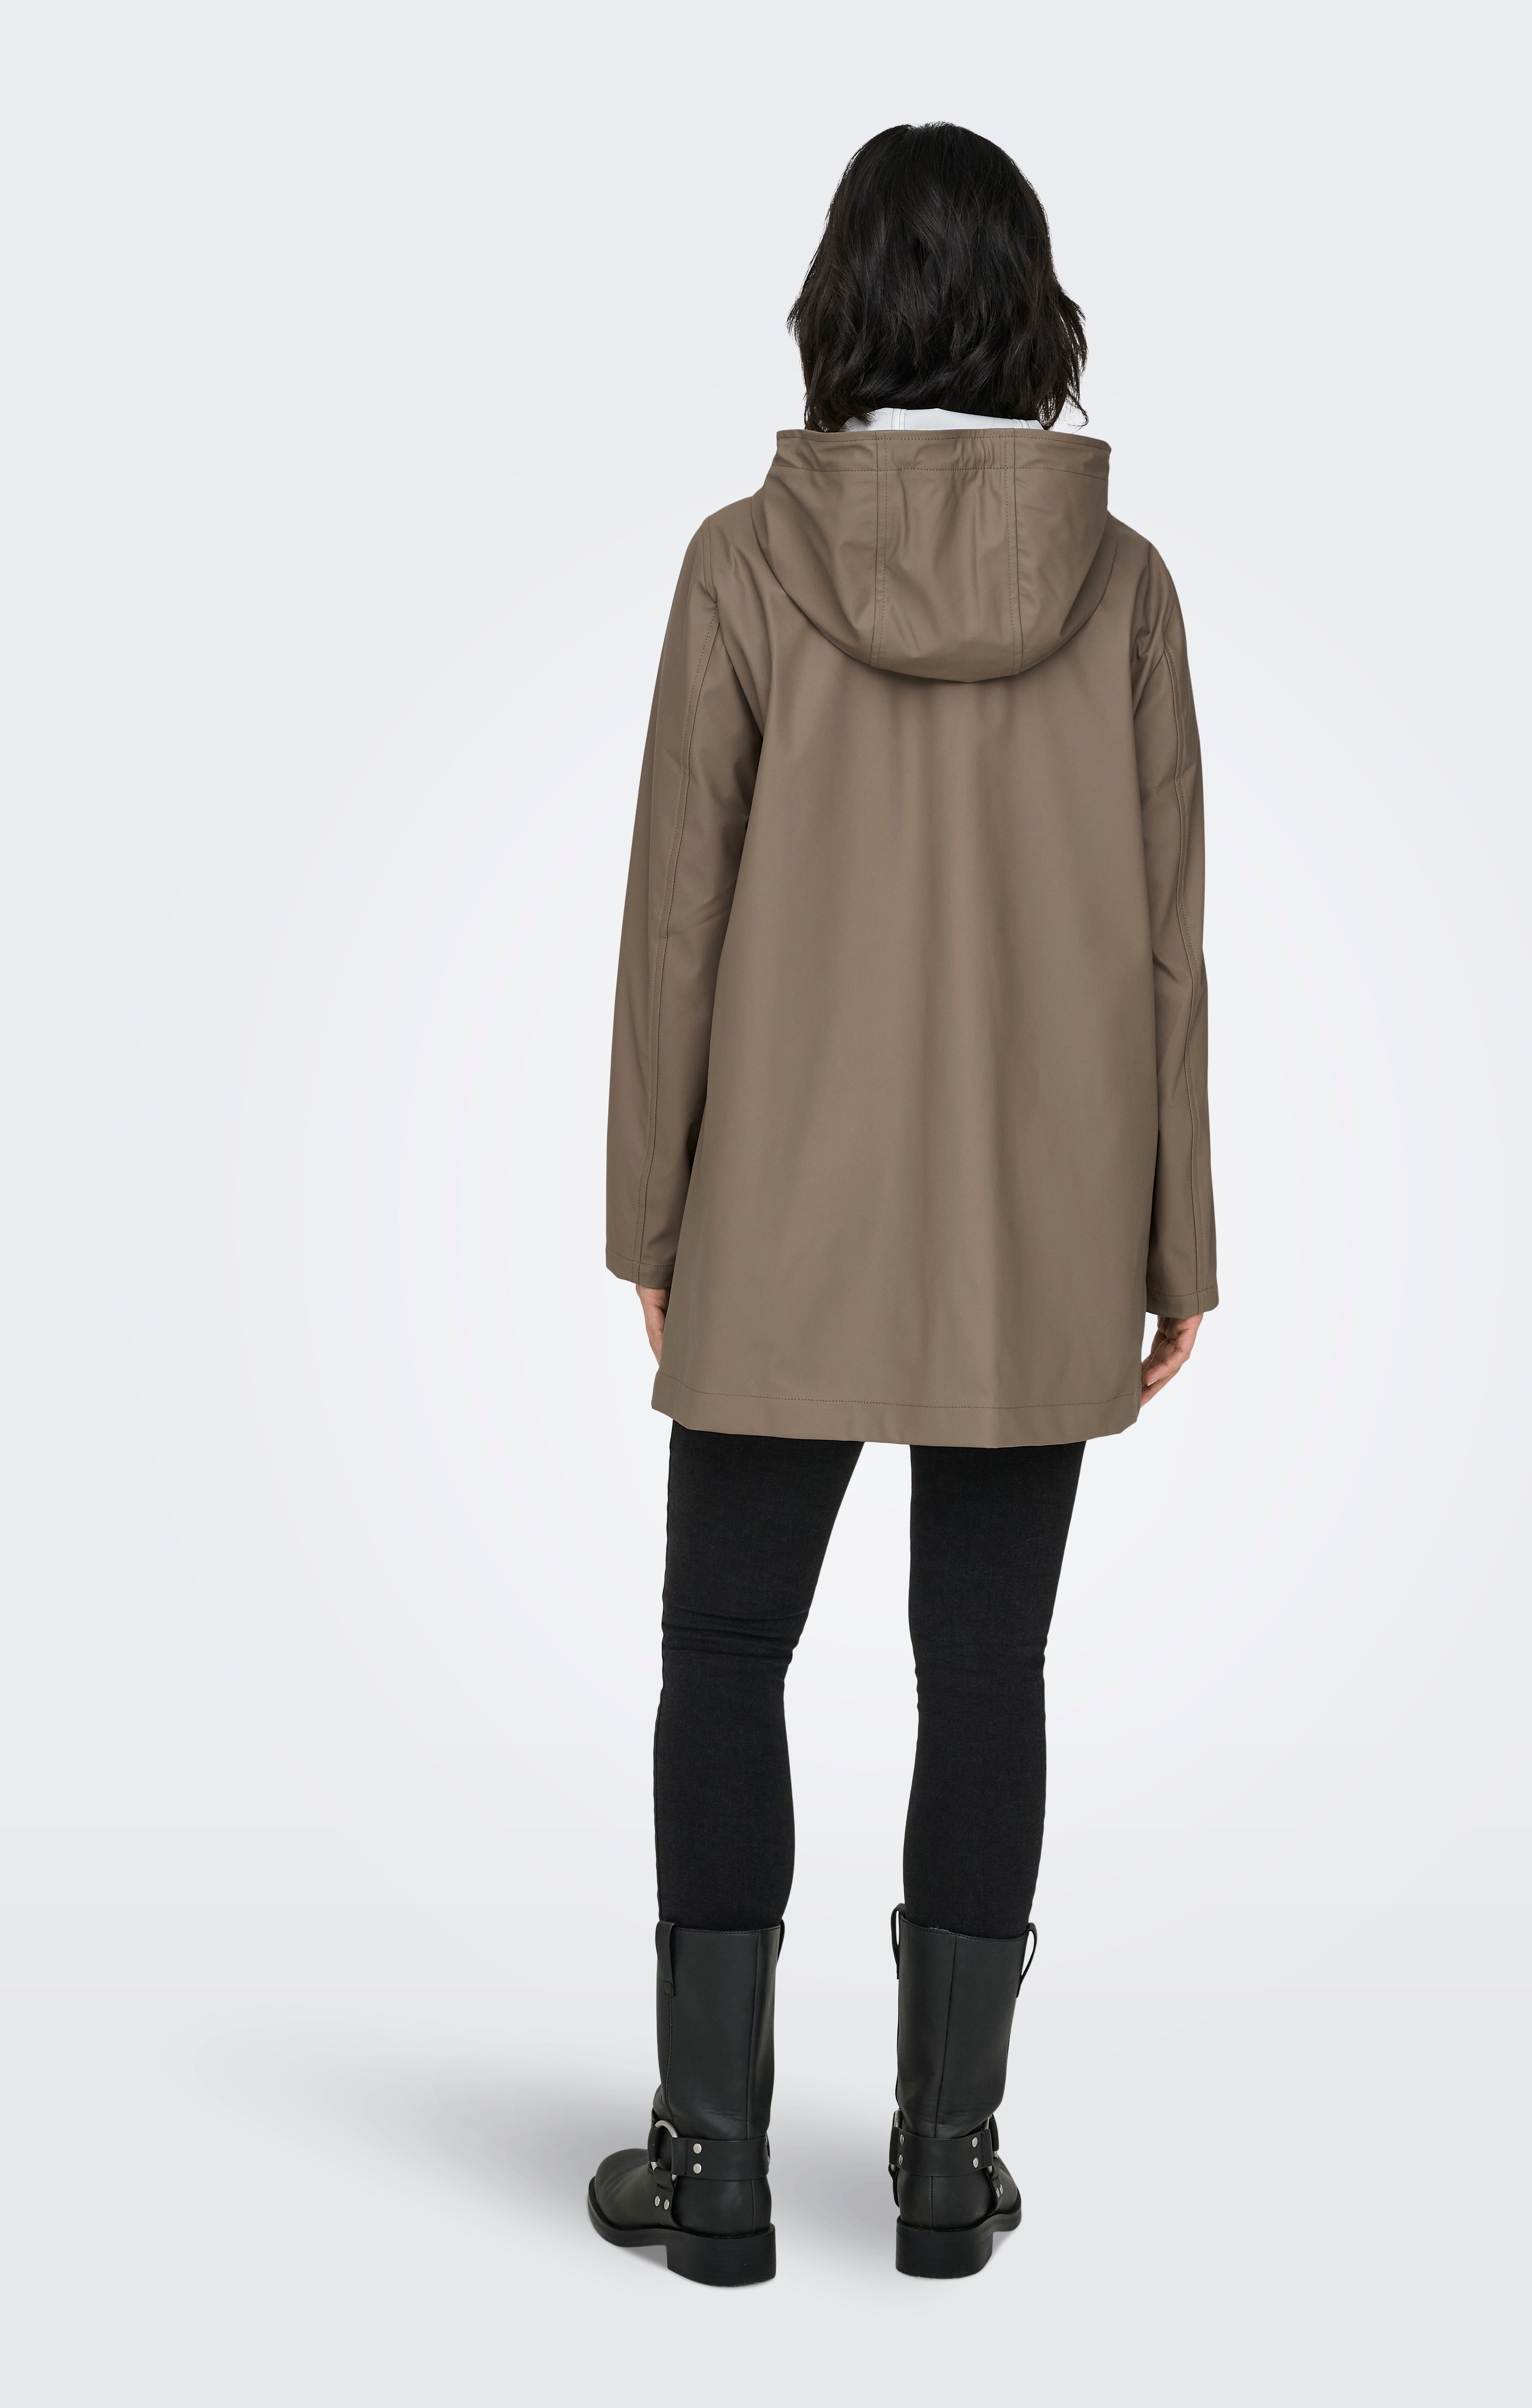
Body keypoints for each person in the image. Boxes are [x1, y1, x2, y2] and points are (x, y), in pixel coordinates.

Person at [587, 121, 1215, 2286]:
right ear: (1032, 313)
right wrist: (1176, 1244)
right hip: (1043, 1216)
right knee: (988, 1662)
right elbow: (1167, 949)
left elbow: (676, 922)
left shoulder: (743, 563)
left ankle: (716, 2165)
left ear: (838, 307)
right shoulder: (1125, 585)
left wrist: (651, 1221)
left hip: (779, 1201)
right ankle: (946, 2169)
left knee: (723, 1647)